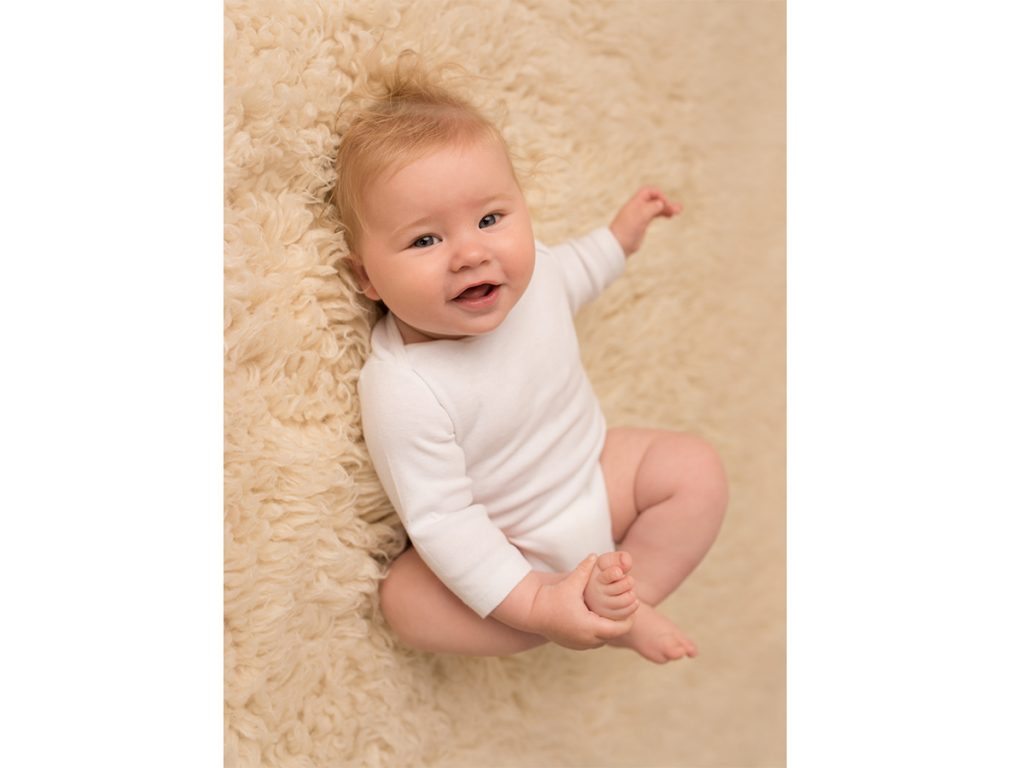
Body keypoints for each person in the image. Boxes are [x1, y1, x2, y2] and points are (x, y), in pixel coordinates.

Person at [335, 64, 728, 663]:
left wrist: (619, 239)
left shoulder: (536, 278)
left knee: (694, 469)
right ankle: (566, 615)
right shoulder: (404, 388)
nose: (471, 253)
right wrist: (534, 603)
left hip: (595, 475)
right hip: (510, 546)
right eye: (424, 240)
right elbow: (443, 519)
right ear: (366, 276)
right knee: (406, 602)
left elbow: (576, 269)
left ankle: (625, 601)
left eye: (491, 220)